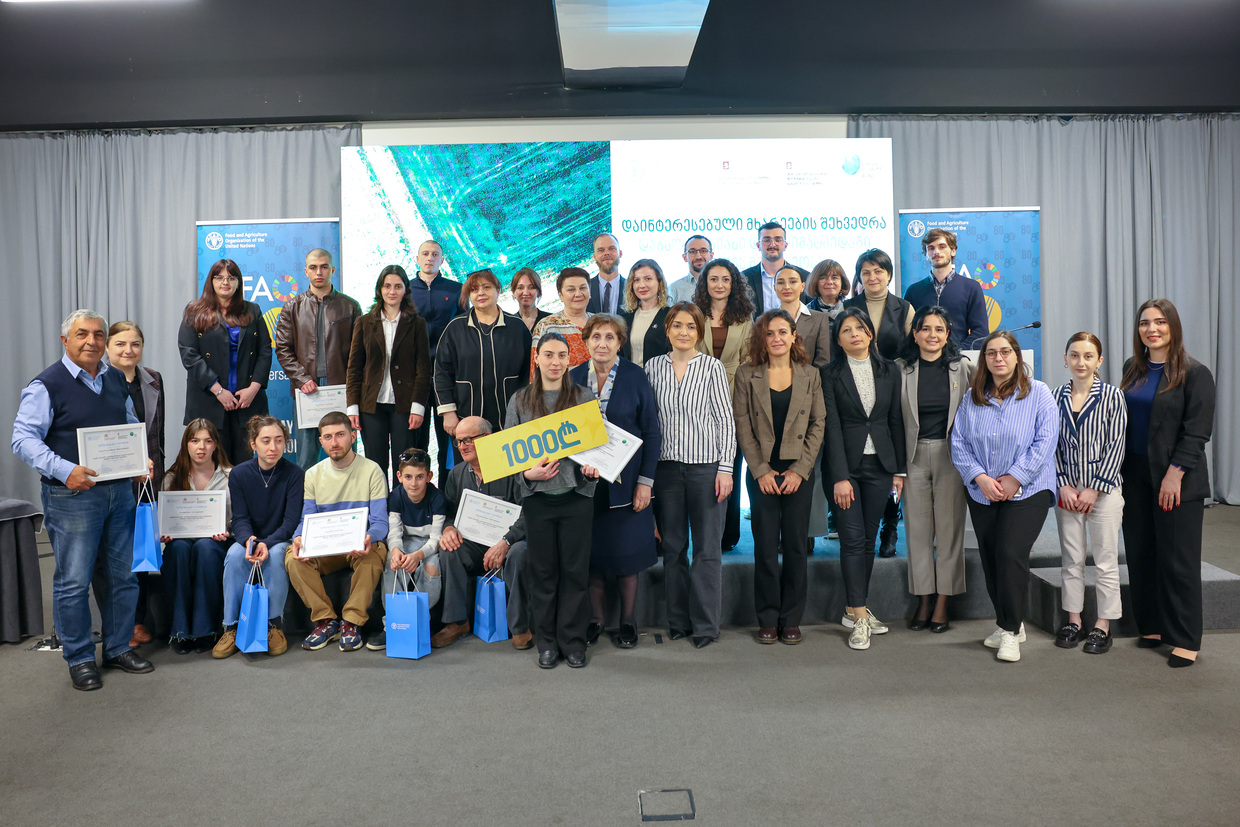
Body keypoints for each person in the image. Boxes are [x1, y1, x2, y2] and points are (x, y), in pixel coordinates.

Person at [12, 309, 154, 690]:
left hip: (118, 492)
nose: (91, 341)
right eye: (82, 334)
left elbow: (128, 423)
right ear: (65, 340)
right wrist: (65, 470)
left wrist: (139, 458)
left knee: (123, 576)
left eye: (98, 334)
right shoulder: (46, 385)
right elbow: (22, 439)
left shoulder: (114, 378)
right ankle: (78, 657)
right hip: (71, 496)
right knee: (74, 581)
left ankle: (118, 647)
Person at [951, 330, 1058, 663]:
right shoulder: (972, 398)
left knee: (1011, 552)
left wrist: (1015, 478)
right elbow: (959, 442)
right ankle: (1009, 621)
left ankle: (1010, 631)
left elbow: (1045, 441)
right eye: (991, 353)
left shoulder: (1039, 393)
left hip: (1029, 489)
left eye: (1005, 352)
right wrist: (980, 478)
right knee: (992, 557)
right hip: (983, 491)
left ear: (1017, 356)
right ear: (983, 359)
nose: (998, 358)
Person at [1119, 299, 1215, 668]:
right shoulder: (1133, 368)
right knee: (1141, 553)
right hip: (1135, 475)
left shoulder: (1195, 373)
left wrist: (1175, 473)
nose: (1152, 329)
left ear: (1172, 326)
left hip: (1177, 478)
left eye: (1160, 322)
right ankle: (1153, 626)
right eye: (1145, 323)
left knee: (1178, 561)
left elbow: (1197, 431)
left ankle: (1186, 639)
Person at [505, 333, 601, 669]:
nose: (555, 362)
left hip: (576, 498)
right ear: (537, 358)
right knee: (543, 574)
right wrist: (527, 475)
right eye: (548, 355)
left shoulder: (582, 396)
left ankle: (573, 642)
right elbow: (508, 459)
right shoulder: (520, 400)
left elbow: (597, 450)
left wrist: (593, 471)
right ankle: (546, 643)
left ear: (570, 359)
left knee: (575, 573)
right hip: (538, 502)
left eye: (562, 355)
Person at [646, 303, 735, 649]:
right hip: (666, 469)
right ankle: (678, 621)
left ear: (700, 332)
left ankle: (706, 625)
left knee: (707, 549)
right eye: (677, 325)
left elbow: (725, 421)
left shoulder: (712, 367)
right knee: (673, 548)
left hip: (706, 469)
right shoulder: (652, 367)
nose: (683, 332)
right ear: (667, 329)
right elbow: (648, 420)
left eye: (691, 326)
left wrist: (725, 469)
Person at [734, 310, 825, 645]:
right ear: (762, 337)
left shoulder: (810, 374)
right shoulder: (747, 374)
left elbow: (818, 423)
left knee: (797, 547)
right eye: (770, 333)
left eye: (783, 332)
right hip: (763, 471)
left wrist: (800, 470)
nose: (776, 338)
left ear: (793, 336)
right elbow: (742, 424)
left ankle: (791, 619)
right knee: (765, 547)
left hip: (799, 470)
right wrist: (760, 470)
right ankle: (768, 618)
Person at [571, 315, 661, 649]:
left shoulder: (636, 376)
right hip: (584, 483)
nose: (602, 344)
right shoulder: (573, 377)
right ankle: (596, 619)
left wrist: (645, 482)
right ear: (586, 341)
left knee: (627, 554)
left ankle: (628, 620)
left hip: (627, 482)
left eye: (610, 337)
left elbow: (651, 431)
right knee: (592, 555)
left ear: (620, 343)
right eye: (596, 337)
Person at [821, 308, 906, 651]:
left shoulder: (890, 370)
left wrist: (898, 470)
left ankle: (853, 608)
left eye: (860, 327)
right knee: (853, 539)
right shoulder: (829, 374)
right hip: (846, 469)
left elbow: (895, 419)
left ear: (870, 333)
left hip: (881, 466)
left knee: (869, 539)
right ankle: (860, 617)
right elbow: (831, 427)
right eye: (846, 330)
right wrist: (840, 476)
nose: (854, 333)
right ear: (838, 340)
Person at [896, 306, 975, 632]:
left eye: (939, 329)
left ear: (947, 335)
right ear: (914, 334)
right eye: (925, 329)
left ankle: (943, 601)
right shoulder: (900, 369)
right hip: (912, 457)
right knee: (917, 532)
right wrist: (895, 468)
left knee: (949, 531)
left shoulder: (963, 368)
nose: (932, 335)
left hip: (951, 457)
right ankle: (923, 598)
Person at [285, 412, 389, 653]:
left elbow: (380, 522)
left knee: (375, 553)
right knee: (293, 556)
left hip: (358, 545)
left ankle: (352, 622)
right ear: (320, 441)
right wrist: (298, 537)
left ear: (352, 436)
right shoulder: (312, 474)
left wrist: (369, 537)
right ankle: (326, 621)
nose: (334, 442)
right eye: (328, 437)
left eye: (340, 435)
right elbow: (306, 519)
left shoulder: (372, 470)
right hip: (326, 547)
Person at [430, 416, 534, 651]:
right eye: (458, 441)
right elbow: (448, 513)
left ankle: (520, 627)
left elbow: (529, 514)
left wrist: (505, 542)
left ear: (487, 438)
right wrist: (448, 528)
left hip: (510, 542)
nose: (462, 446)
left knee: (519, 553)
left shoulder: (512, 469)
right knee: (449, 549)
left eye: (468, 440)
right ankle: (458, 622)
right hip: (475, 544)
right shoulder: (456, 474)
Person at [1053, 332, 1126, 654]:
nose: (1080, 362)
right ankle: (1074, 620)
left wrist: (1094, 489)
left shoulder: (1113, 396)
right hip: (1068, 493)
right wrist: (1063, 484)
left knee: (1105, 560)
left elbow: (1116, 446)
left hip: (1104, 492)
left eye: (1087, 356)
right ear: (1065, 359)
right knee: (1071, 559)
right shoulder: (1054, 396)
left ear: (1099, 361)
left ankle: (1103, 625)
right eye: (1074, 355)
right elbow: (1050, 445)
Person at [214, 415, 304, 659]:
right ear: (253, 444)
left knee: (276, 554)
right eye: (266, 441)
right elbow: (239, 518)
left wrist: (266, 543)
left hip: (279, 538)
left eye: (279, 440)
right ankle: (231, 627)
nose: (273, 447)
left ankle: (274, 624)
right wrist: (249, 541)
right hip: (250, 538)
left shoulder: (295, 474)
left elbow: (290, 522)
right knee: (234, 555)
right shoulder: (239, 474)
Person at [844, 248, 915, 558]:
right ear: (859, 277)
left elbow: (912, 348)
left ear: (888, 275)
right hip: (856, 386)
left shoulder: (904, 308)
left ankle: (890, 527)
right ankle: (860, 527)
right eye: (866, 272)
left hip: (892, 384)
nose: (872, 277)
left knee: (890, 454)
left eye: (878, 271)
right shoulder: (850, 307)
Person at [104, 321, 165, 648]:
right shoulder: (96, 381)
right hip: (111, 480)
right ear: (107, 347)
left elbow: (158, 435)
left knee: (141, 549)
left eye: (135, 344)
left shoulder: (153, 378)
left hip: (147, 479)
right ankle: (117, 624)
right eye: (120, 344)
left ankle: (137, 620)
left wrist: (158, 475)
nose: (128, 350)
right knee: (112, 555)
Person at [274, 248, 362, 470]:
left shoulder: (350, 306)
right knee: (306, 459)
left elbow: (359, 352)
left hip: (340, 390)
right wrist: (302, 379)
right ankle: (306, 495)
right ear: (306, 271)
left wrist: (352, 388)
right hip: (307, 391)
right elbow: (283, 349)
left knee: (346, 454)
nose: (319, 272)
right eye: (313, 268)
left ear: (333, 270)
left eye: (324, 267)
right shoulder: (292, 307)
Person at [345, 264, 432, 487]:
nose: (392, 291)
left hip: (405, 405)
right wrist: (352, 406)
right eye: (387, 286)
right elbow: (354, 368)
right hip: (371, 405)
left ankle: (400, 505)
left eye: (398, 286)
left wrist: (418, 407)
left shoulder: (417, 324)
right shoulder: (364, 322)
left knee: (405, 464)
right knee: (376, 464)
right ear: (379, 289)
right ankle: (379, 506)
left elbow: (424, 369)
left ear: (405, 290)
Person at [179, 258, 272, 463]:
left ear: (238, 282)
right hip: (208, 400)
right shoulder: (194, 311)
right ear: (211, 281)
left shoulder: (253, 311)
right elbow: (189, 354)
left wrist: (253, 388)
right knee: (210, 464)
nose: (225, 282)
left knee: (244, 465)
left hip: (246, 402)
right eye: (219, 277)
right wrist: (218, 391)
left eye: (231, 278)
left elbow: (265, 351)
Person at [434, 268, 532, 459]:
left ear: (498, 290)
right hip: (466, 419)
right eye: (474, 289)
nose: (481, 293)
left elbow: (529, 373)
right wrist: (448, 412)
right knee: (472, 471)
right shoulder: (455, 328)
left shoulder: (516, 327)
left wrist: (525, 411)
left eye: (486, 287)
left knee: (508, 470)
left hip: (509, 420)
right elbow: (441, 372)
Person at [693, 258, 753, 551]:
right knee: (703, 467)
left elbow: (748, 360)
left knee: (731, 464)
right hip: (696, 394)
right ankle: (703, 531)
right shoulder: (694, 313)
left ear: (734, 284)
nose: (719, 285)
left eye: (725, 279)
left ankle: (728, 533)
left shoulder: (745, 317)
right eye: (713, 279)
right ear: (705, 283)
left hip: (733, 395)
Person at [160, 418, 233, 654]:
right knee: (179, 549)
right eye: (194, 441)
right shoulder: (172, 477)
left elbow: (240, 518)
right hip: (180, 542)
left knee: (205, 548)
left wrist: (228, 530)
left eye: (207, 441)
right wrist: (164, 532)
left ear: (215, 445)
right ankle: (179, 631)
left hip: (216, 542)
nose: (201, 447)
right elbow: (165, 518)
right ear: (186, 445)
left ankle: (205, 630)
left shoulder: (231, 476)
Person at [368, 448, 444, 651]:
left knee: (431, 569)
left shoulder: (437, 498)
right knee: (392, 565)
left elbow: (436, 538)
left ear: (429, 476)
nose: (414, 483)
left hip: (428, 546)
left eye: (420, 477)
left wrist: (418, 556)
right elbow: (395, 532)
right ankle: (391, 624)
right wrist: (396, 551)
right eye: (408, 477)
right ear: (399, 476)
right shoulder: (395, 496)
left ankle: (419, 621)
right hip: (406, 542)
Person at [407, 239, 463, 479]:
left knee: (448, 442)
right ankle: (417, 492)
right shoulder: (405, 290)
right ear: (417, 259)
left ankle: (447, 493)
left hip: (447, 376)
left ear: (442, 260)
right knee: (416, 442)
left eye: (435, 254)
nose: (430, 258)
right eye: (425, 253)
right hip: (415, 376)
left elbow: (464, 329)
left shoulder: (456, 290)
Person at [902, 228, 989, 348]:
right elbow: (907, 331)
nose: (936, 252)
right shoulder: (913, 291)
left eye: (942, 247)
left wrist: (958, 353)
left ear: (953, 251)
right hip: (922, 357)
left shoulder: (971, 288)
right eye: (931, 248)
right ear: (926, 254)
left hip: (959, 356)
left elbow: (980, 331)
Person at [531, 267, 593, 374]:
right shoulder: (547, 325)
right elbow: (535, 371)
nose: (578, 294)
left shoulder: (601, 323)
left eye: (583, 288)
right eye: (571, 290)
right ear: (561, 295)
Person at [742, 222, 809, 316]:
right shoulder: (743, 278)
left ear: (785, 245)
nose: (772, 244)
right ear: (758, 245)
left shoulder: (805, 277)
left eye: (778, 239)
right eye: (766, 240)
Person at [618, 258, 672, 367]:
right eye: (636, 280)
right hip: (630, 376)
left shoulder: (670, 316)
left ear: (659, 282)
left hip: (661, 376)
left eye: (648, 279)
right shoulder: (624, 319)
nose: (642, 285)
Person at [586, 232, 625, 315]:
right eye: (601, 250)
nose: (606, 253)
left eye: (611, 248)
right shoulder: (585, 288)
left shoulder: (632, 288)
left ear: (620, 253)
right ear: (595, 257)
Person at [669, 234, 714, 304]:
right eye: (692, 251)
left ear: (711, 256)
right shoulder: (674, 289)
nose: (698, 256)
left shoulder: (720, 286)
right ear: (685, 257)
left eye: (703, 251)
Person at [510, 267, 551, 332]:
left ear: (538, 292)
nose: (526, 293)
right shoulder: (509, 324)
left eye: (531, 287)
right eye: (520, 288)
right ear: (513, 293)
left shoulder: (550, 321)